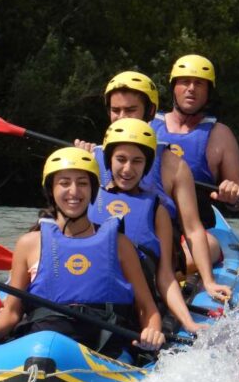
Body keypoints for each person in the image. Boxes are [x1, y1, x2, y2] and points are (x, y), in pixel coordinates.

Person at [0, 147, 165, 357]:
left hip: (102, 345)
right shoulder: (29, 244)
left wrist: (152, 330)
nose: (74, 191)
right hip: (41, 341)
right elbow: (12, 310)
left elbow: (147, 308)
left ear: (92, 190)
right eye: (64, 183)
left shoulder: (119, 244)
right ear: (51, 190)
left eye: (82, 183)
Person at [75, 71, 231, 300]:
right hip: (98, 253)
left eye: (130, 110)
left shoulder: (173, 165)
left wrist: (208, 281)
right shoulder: (90, 157)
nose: (121, 118)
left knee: (211, 244)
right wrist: (79, 165)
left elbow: (192, 229)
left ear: (149, 112)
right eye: (115, 110)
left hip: (152, 258)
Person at [89, 118, 208, 334]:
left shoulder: (156, 209)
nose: (128, 169)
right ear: (108, 160)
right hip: (89, 297)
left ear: (146, 166)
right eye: (121, 159)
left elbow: (165, 276)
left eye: (137, 161)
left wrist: (188, 322)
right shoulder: (86, 199)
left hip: (132, 305)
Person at [150, 54, 239, 228]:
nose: (191, 88)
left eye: (199, 83)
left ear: (208, 92)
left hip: (196, 225)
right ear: (174, 87)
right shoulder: (147, 127)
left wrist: (234, 196)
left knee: (191, 254)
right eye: (185, 81)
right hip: (151, 222)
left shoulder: (221, 135)